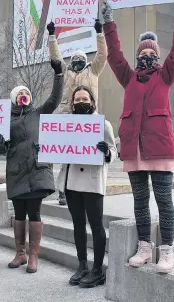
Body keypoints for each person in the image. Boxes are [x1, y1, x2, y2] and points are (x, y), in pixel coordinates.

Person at [101, 0, 174, 274]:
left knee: (164, 201)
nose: (146, 56)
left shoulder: (166, 74)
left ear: (158, 56)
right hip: (134, 151)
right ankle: (144, 247)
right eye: (142, 53)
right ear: (137, 55)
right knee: (140, 201)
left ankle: (167, 251)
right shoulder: (128, 78)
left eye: (151, 53)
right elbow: (114, 56)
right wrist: (109, 23)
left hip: (160, 149)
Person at [0, 59, 64, 273]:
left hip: (36, 172)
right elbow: (2, 148)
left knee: (34, 213)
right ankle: (20, 253)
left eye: (26, 93)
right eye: (20, 94)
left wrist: (59, 74)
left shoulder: (38, 113)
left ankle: (33, 255)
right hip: (16, 172)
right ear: (15, 98)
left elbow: (54, 99)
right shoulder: (5, 119)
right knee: (19, 213)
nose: (23, 96)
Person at [57, 86, 117, 288]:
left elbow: (113, 152)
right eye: (77, 99)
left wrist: (106, 152)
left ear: (92, 101)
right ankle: (82, 264)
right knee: (77, 224)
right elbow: (59, 146)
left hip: (92, 182)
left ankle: (98, 269)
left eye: (84, 98)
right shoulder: (66, 124)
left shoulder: (103, 124)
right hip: (72, 181)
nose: (80, 102)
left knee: (96, 225)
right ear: (72, 103)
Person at [47, 19, 108, 206]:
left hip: (90, 118)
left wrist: (99, 33)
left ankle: (89, 190)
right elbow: (56, 56)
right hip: (68, 117)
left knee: (89, 156)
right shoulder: (66, 72)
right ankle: (63, 191)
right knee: (67, 157)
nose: (78, 60)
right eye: (75, 58)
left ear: (86, 60)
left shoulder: (93, 70)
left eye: (81, 58)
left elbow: (103, 54)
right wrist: (51, 36)